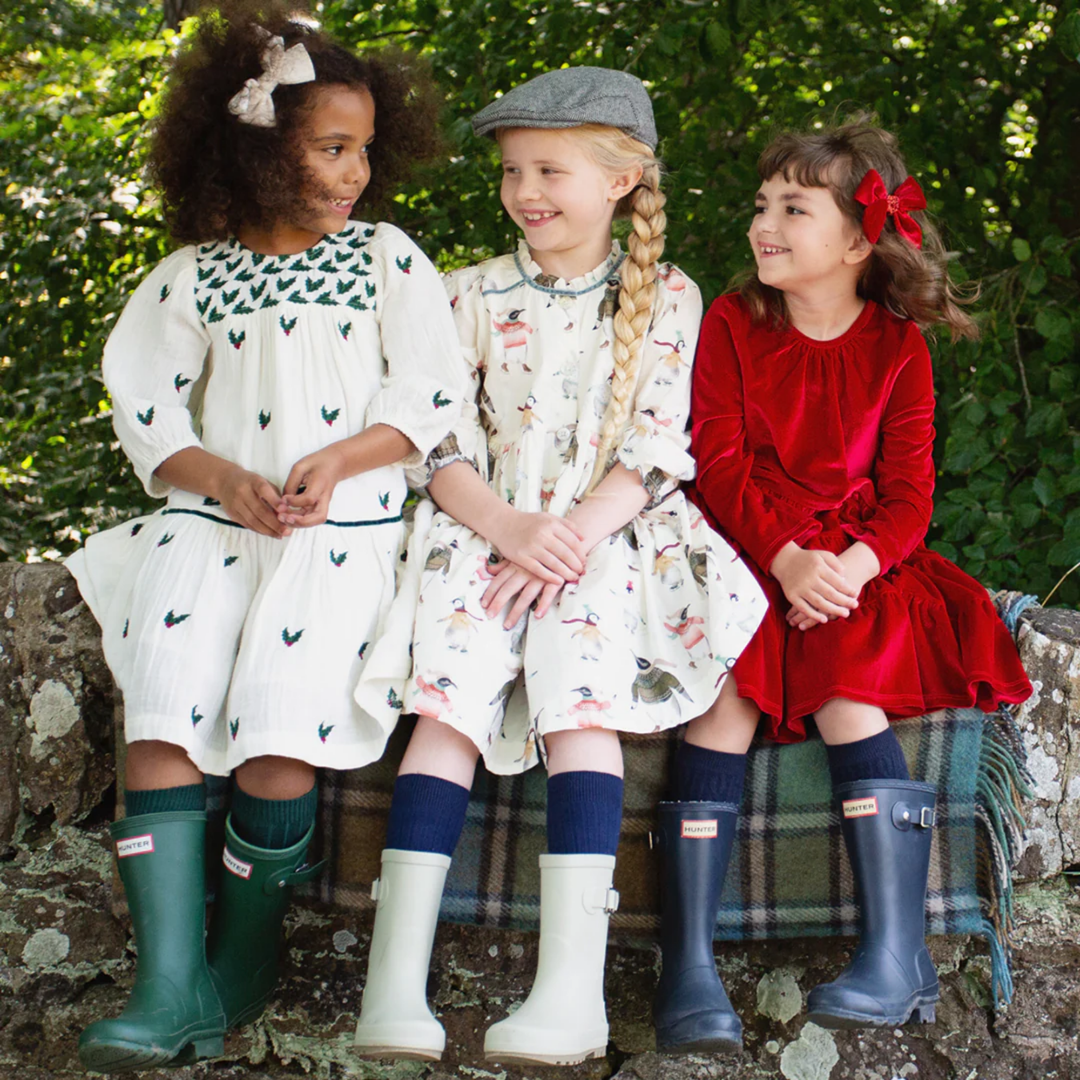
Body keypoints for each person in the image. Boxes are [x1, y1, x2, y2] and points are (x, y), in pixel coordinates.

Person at [64, 2, 464, 1070]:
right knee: (163, 696)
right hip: (208, 519)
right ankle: (166, 987)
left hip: (347, 525)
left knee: (280, 723)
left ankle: (238, 961)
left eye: (365, 151)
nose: (355, 173)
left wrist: (341, 459)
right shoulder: (192, 273)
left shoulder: (386, 257)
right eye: (333, 148)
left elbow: (430, 393)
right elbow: (146, 409)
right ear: (255, 146)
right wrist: (222, 479)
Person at [351, 66, 766, 1066]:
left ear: (622, 180)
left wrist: (569, 535)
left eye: (550, 169)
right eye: (511, 171)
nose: (525, 190)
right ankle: (393, 988)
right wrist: (504, 525)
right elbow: (429, 441)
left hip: (601, 535)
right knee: (444, 704)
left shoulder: (666, 295)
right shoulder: (466, 294)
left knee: (582, 703)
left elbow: (661, 446)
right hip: (481, 534)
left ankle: (568, 997)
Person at [676, 119, 1033, 1045]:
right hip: (751, 548)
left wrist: (849, 567)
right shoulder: (731, 320)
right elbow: (717, 465)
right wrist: (787, 556)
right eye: (762, 205)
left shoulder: (896, 346)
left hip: (859, 565)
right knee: (720, 699)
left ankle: (895, 951)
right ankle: (689, 966)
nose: (765, 225)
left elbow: (911, 495)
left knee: (843, 689)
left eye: (794, 209)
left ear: (857, 238)